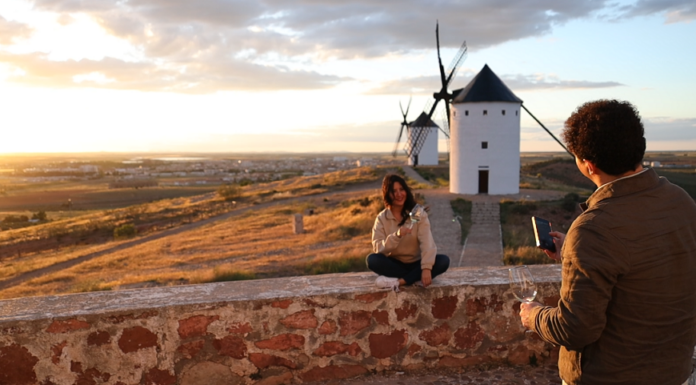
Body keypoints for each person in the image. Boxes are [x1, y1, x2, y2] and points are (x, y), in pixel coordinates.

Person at [518, 99, 696, 385]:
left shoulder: (593, 229)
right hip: (674, 371)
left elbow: (575, 329)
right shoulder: (681, 201)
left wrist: (534, 315)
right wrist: (574, 254)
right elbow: (644, 263)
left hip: (612, 376)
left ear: (588, 164)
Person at [366, 174, 449, 291]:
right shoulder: (382, 218)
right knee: (372, 260)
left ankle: (399, 281)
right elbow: (378, 248)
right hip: (395, 264)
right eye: (394, 191)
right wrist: (397, 235)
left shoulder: (417, 213)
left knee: (443, 261)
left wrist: (426, 268)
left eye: (401, 189)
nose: (399, 194)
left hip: (417, 263)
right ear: (387, 194)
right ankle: (414, 278)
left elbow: (427, 242)